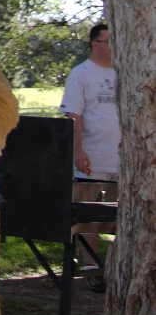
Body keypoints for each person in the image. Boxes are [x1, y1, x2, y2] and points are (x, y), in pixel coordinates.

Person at [60, 22, 119, 286]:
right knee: (89, 215)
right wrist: (78, 150)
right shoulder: (80, 74)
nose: (114, 46)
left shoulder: (125, 70)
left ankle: (120, 268)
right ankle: (92, 267)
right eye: (109, 41)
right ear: (95, 44)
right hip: (93, 157)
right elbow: (74, 115)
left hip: (125, 159)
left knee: (124, 214)